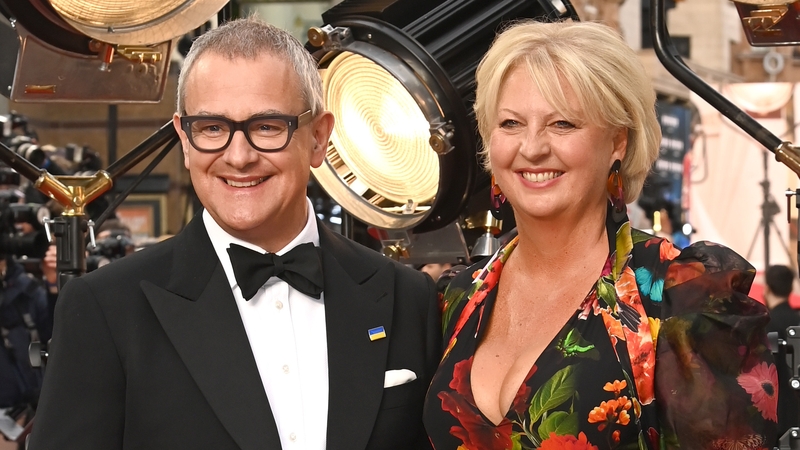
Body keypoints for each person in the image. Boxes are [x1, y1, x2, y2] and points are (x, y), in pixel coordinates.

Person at [29, 17, 440, 450]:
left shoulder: (408, 297)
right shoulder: (105, 309)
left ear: (319, 138)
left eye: (266, 126)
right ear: (185, 141)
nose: (238, 156)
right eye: (212, 128)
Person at [423, 20, 777, 449]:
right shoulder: (456, 298)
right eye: (512, 123)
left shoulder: (681, 294)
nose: (532, 147)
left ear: (618, 143)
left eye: (562, 124)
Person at [764, 264, 800, 443]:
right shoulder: (797, 320)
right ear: (791, 288)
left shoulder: (769, 325)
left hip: (780, 416)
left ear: (767, 288)